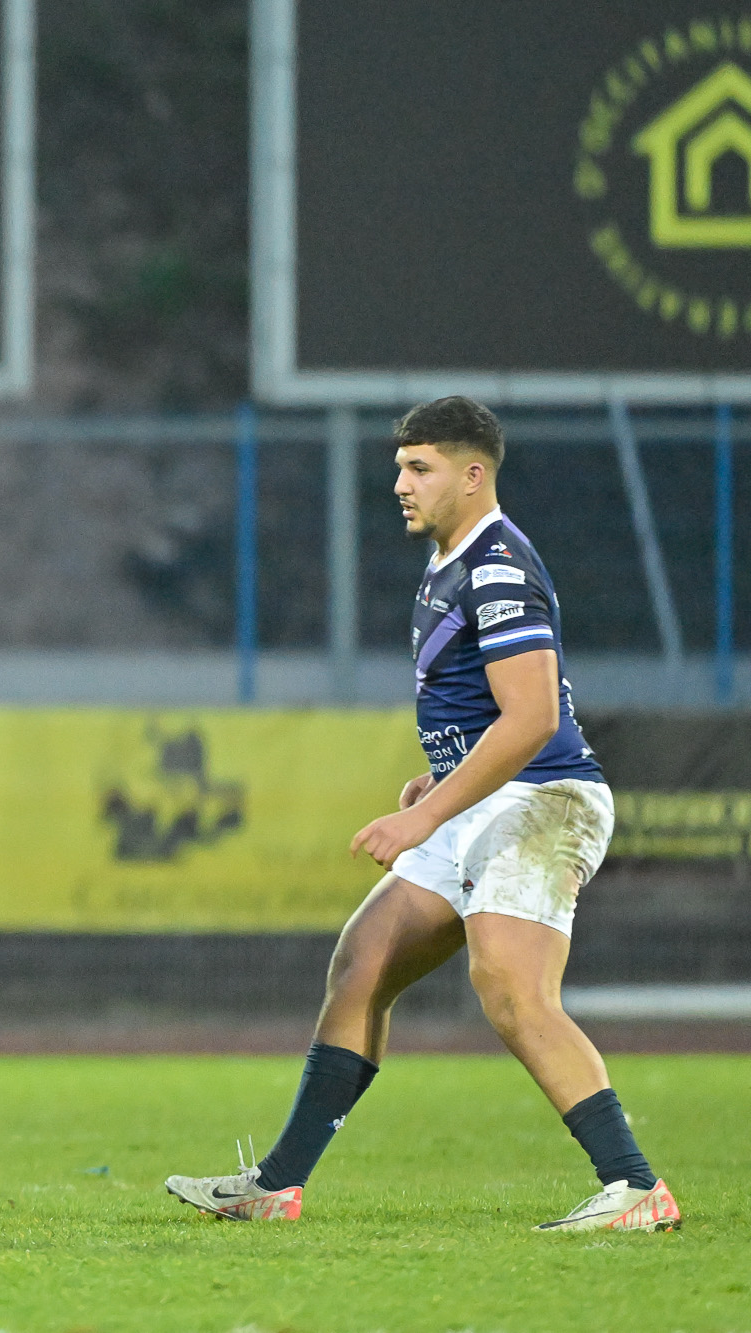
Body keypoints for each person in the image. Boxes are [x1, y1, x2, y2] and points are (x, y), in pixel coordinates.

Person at [164, 396, 679, 1233]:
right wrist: (438, 780)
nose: (400, 483)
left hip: (545, 797)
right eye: (400, 466)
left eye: (419, 467)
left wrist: (425, 813)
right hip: (485, 801)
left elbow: (533, 718)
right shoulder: (451, 561)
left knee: (511, 987)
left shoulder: (496, 566)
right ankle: (276, 1185)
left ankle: (636, 1186)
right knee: (364, 961)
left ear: (473, 475)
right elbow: (489, 712)